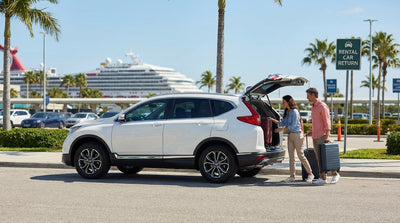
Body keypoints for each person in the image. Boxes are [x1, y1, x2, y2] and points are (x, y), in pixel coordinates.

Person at [271, 95, 314, 183]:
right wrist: (272, 120)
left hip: (297, 135)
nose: (283, 104)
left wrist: (280, 129)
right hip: (290, 135)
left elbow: (292, 126)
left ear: (288, 102)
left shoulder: (294, 112)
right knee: (291, 157)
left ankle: (310, 174)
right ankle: (292, 176)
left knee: (300, 155)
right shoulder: (287, 112)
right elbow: (283, 122)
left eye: (284, 102)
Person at [305, 87, 340, 184]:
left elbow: (327, 121)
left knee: (326, 157)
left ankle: (335, 174)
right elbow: (316, 122)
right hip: (315, 135)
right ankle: (322, 178)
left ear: (313, 95)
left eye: (308, 96)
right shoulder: (313, 107)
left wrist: (327, 135)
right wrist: (311, 130)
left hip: (322, 135)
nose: (307, 98)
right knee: (318, 158)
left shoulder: (322, 106)